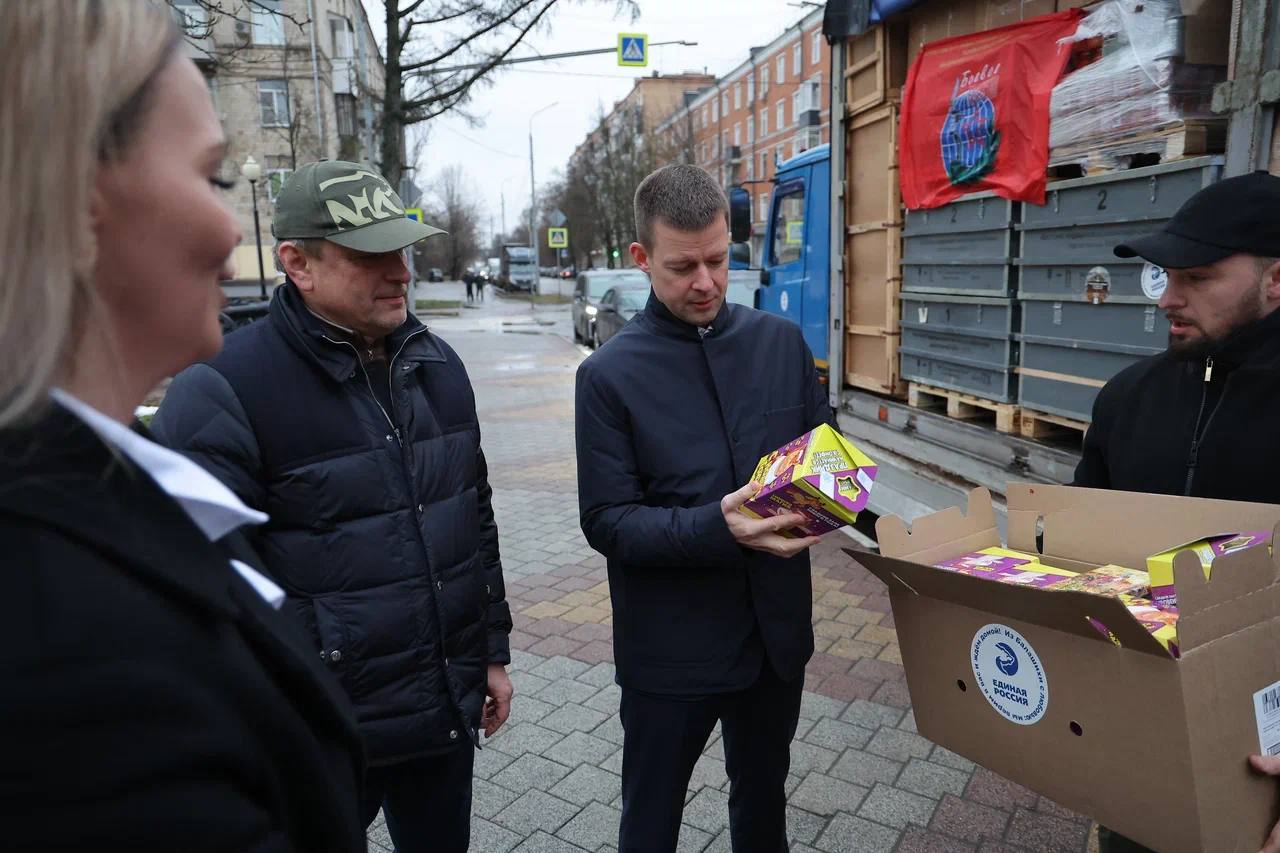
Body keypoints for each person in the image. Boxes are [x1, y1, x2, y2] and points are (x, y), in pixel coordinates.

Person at [0, 3, 364, 850]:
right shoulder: (70, 666)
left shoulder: (91, 485)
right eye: (212, 178)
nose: (232, 228)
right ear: (80, 192)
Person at [152, 159, 513, 853]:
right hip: (316, 725)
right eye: (370, 255)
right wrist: (311, 668)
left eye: (402, 249)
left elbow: (474, 514)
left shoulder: (437, 365)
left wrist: (489, 651)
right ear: (297, 262)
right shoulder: (223, 388)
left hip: (439, 711)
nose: (401, 271)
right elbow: (195, 584)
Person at [575, 164, 835, 852]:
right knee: (652, 820)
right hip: (671, 655)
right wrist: (715, 525)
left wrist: (836, 501)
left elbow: (824, 455)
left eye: (719, 260)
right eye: (683, 265)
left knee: (763, 802)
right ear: (641, 259)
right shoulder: (607, 377)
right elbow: (606, 519)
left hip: (773, 641)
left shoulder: (780, 344)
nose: (707, 282)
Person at [1072, 170, 1280, 853]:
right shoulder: (1127, 398)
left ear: (1274, 280)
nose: (1170, 297)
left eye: (1198, 276)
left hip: (1260, 767)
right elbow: (1080, 559)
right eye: (1166, 274)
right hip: (1140, 743)